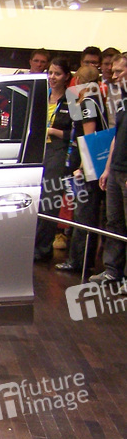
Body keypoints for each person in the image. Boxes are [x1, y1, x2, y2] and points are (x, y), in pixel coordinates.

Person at [57, 65, 107, 274]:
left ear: (78, 80)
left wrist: (81, 167)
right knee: (86, 213)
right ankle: (83, 260)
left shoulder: (87, 103)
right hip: (94, 166)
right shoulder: (97, 100)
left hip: (88, 167)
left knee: (83, 214)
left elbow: (89, 137)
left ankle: (78, 261)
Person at [90, 53, 127, 283]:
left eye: (119, 71)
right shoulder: (123, 101)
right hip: (116, 170)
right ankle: (112, 270)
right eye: (113, 72)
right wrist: (106, 168)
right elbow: (116, 136)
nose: (114, 76)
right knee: (113, 222)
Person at [35, 57, 75, 262]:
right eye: (50, 73)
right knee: (33, 199)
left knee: (49, 201)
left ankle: (43, 248)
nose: (52, 77)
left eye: (57, 74)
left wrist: (53, 131)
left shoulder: (73, 99)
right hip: (37, 151)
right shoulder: (42, 94)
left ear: (66, 76)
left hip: (58, 152)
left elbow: (77, 133)